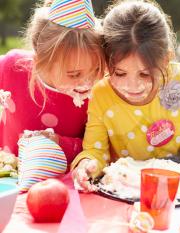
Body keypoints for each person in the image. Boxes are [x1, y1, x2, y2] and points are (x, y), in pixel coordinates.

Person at [71, 0, 180, 191]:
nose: (133, 86)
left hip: (176, 185)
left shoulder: (176, 79)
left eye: (145, 74)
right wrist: (87, 166)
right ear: (106, 62)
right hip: (124, 188)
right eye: (120, 73)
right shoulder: (101, 94)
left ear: (166, 60)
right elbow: (95, 150)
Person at [0, 0, 105, 188]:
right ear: (40, 60)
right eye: (74, 74)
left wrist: (59, 142)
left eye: (96, 69)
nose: (88, 81)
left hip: (60, 189)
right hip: (6, 181)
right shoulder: (11, 68)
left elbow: (95, 148)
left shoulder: (99, 92)